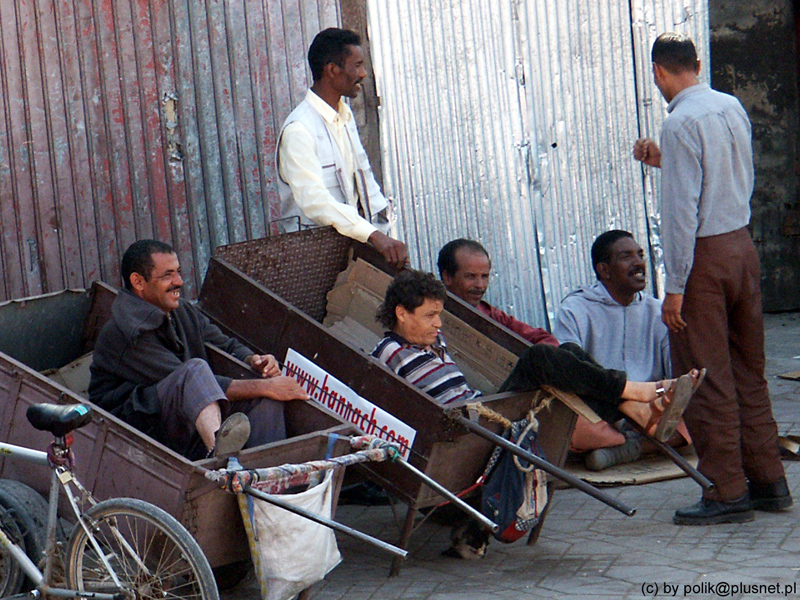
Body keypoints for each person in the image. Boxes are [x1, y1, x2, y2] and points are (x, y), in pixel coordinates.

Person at [633, 33, 791, 524]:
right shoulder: (728, 106)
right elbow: (720, 172)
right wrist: (662, 157)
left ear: (658, 72)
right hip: (742, 247)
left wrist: (674, 289)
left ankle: (726, 490)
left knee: (705, 375)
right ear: (697, 65)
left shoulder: (679, 120)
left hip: (703, 258)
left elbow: (683, 211)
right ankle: (768, 480)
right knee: (749, 369)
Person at [372, 269, 703, 445]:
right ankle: (638, 396)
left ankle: (635, 406)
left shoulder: (434, 340)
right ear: (402, 313)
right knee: (540, 358)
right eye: (430, 315)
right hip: (470, 427)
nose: (438, 323)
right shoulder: (388, 354)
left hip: (485, 410)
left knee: (568, 353)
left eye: (438, 314)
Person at [89, 240, 310, 460]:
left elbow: (225, 344)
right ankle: (221, 458)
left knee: (266, 400)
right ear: (138, 281)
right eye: (167, 275)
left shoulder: (180, 311)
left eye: (178, 272)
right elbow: (190, 382)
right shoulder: (126, 331)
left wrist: (254, 359)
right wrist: (266, 386)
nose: (179, 282)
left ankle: (266, 481)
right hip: (141, 432)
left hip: (185, 420)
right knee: (195, 370)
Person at [554, 230, 688, 470]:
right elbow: (570, 371)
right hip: (599, 410)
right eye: (627, 256)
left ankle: (627, 449)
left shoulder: (658, 311)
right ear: (604, 270)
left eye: (640, 255)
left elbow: (673, 373)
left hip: (648, 408)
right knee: (565, 427)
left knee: (700, 417)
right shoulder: (574, 309)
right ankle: (635, 443)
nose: (639, 263)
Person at [276, 27, 407, 270]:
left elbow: (366, 185)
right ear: (332, 70)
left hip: (350, 255)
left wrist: (383, 235)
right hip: (313, 263)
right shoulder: (299, 130)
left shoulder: (344, 116)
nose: (364, 73)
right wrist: (373, 236)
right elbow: (314, 201)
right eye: (356, 65)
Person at [437, 239, 558, 345]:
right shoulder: (430, 316)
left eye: (484, 276)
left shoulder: (491, 316)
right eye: (470, 276)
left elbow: (544, 339)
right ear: (447, 277)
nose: (480, 285)